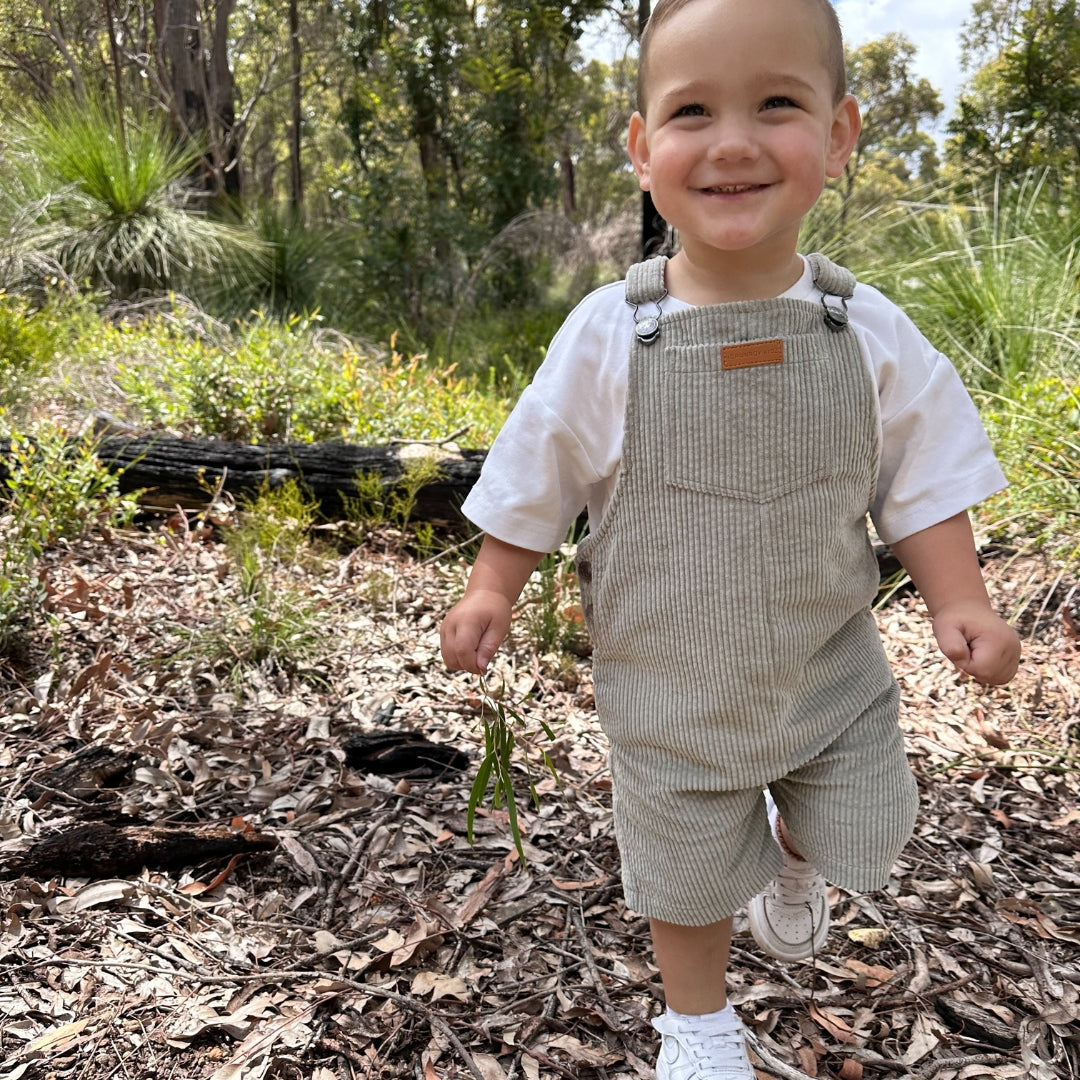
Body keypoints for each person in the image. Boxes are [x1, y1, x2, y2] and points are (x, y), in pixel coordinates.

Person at [441, 0, 1022, 1074]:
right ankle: (699, 1027)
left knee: (873, 831)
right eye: (694, 110)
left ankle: (793, 852)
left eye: (778, 104)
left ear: (841, 133)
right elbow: (539, 462)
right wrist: (492, 589)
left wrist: (960, 599)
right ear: (643, 146)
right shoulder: (614, 331)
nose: (736, 141)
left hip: (825, 672)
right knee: (688, 870)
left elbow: (927, 471)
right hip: (672, 685)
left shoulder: (867, 328)